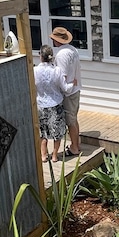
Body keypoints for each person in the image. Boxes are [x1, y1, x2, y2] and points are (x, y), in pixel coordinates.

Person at [33, 44, 72, 162]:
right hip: (55, 104)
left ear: (40, 56)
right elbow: (65, 88)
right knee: (57, 132)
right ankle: (55, 155)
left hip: (41, 104)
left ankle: (43, 155)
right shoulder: (57, 70)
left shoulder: (35, 71)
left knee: (43, 132)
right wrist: (73, 84)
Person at [50, 26, 82, 156]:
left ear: (57, 40)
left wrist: (62, 90)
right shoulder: (73, 50)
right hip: (76, 89)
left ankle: (74, 147)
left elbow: (62, 77)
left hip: (68, 92)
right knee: (74, 119)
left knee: (70, 121)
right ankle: (76, 144)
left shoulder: (61, 55)